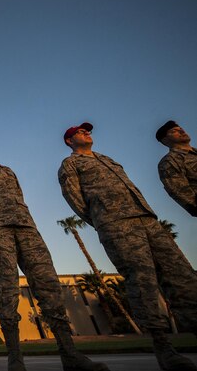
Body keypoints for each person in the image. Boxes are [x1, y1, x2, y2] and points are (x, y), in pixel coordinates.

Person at [0, 135, 108, 371]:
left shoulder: (7, 170)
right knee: (6, 288)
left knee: (48, 283)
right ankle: (15, 358)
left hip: (26, 227)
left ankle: (70, 355)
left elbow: (18, 195)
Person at [59, 122, 197, 371]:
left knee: (183, 275)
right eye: (79, 132)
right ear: (69, 141)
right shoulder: (71, 164)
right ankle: (163, 347)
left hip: (147, 219)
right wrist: (103, 219)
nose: (86, 133)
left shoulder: (107, 159)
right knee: (141, 280)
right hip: (116, 224)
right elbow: (75, 199)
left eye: (87, 130)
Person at [156, 120, 197, 217]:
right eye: (174, 131)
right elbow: (179, 192)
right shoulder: (169, 161)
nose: (182, 132)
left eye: (181, 129)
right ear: (165, 140)